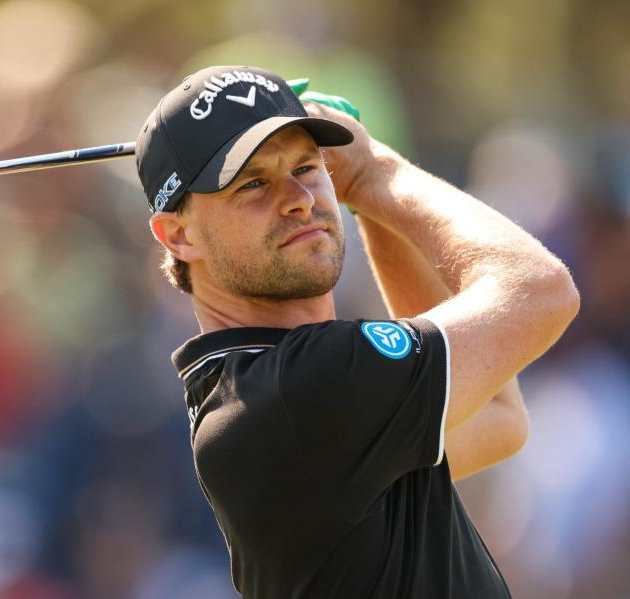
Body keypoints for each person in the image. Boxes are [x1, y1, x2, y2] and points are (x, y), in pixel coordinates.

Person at [134, 65, 579, 598]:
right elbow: (542, 290)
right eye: (253, 183)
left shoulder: (271, 383)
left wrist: (371, 201)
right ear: (178, 235)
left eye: (307, 164)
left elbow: (496, 418)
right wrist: (374, 172)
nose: (299, 197)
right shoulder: (298, 389)